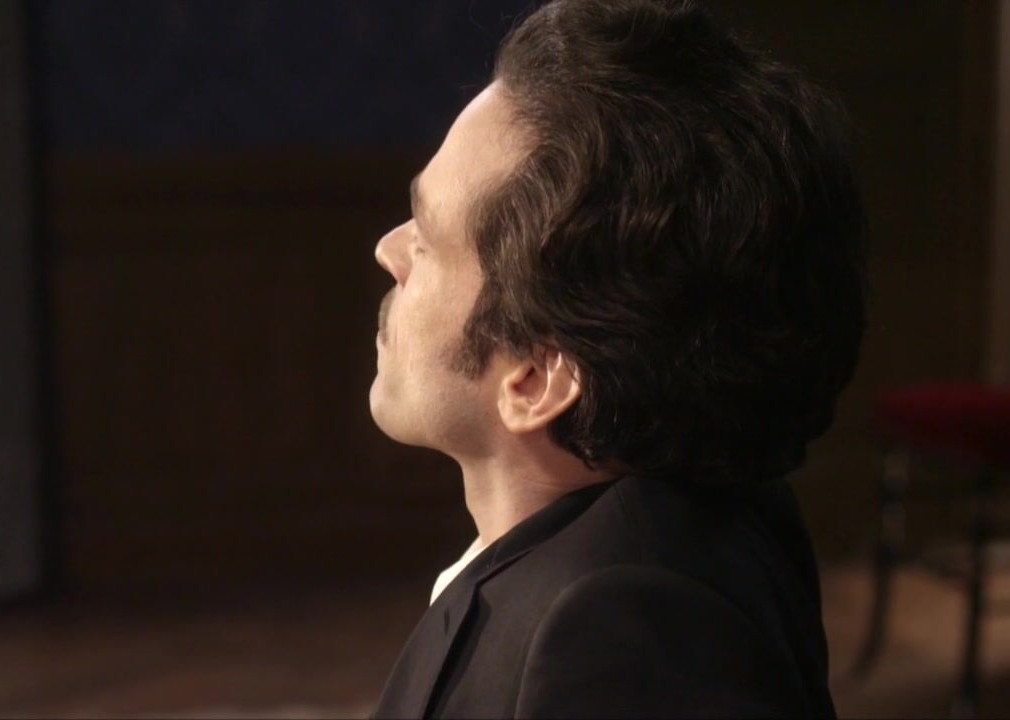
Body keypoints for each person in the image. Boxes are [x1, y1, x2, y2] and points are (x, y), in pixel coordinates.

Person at [366, 0, 866, 717]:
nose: (388, 249)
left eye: (427, 239)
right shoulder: (674, 530)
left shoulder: (624, 632)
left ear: (537, 377)